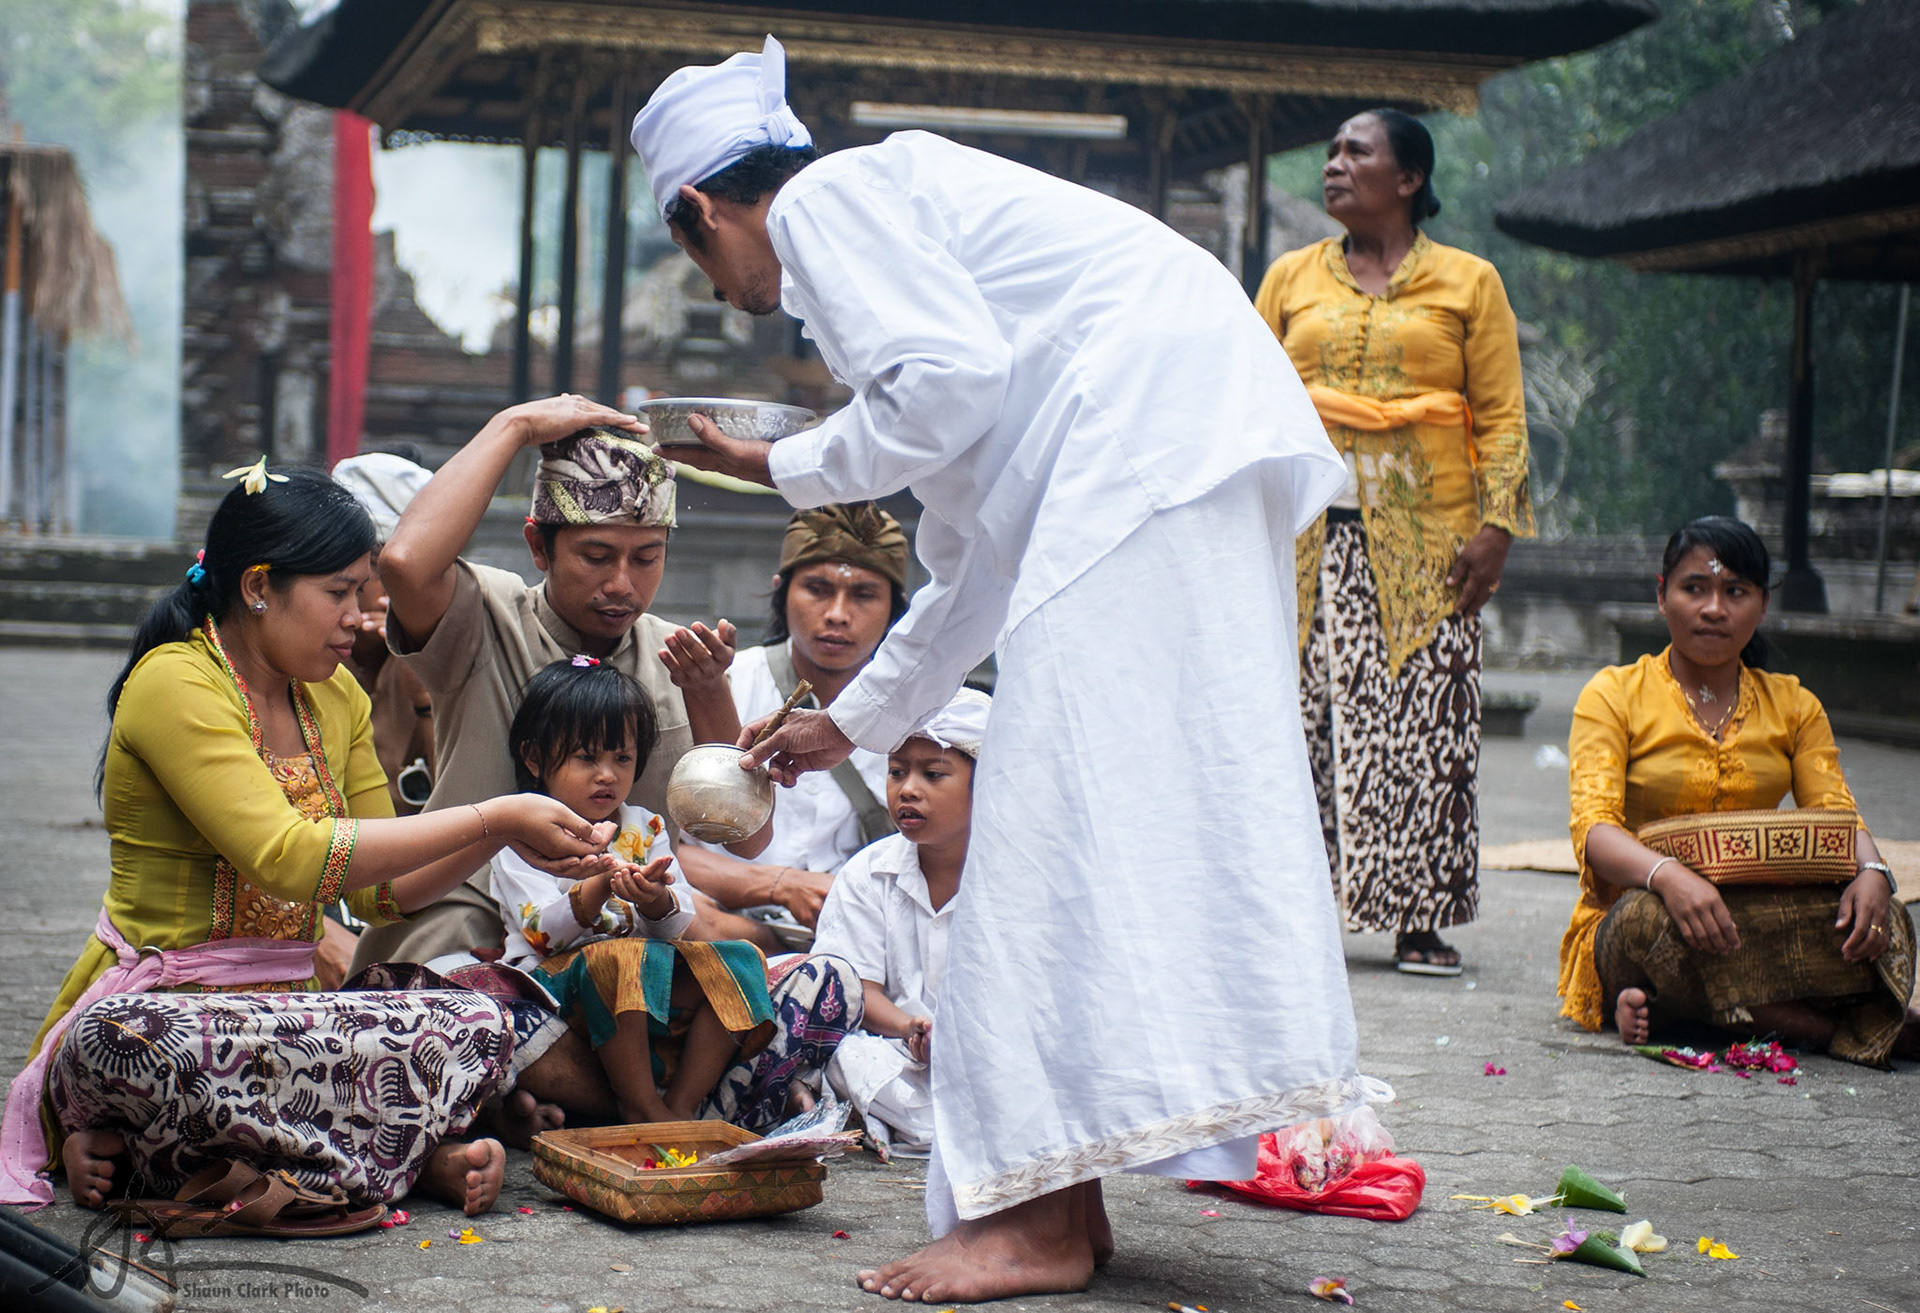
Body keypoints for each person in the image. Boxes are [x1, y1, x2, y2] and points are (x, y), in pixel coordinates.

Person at [631, 37, 1361, 1302]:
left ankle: (1034, 1214)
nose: (731, 292)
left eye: (699, 258)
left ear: (699, 211)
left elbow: (952, 388)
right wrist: (847, 723)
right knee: (1071, 828)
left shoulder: (826, 203)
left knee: (1036, 835)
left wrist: (783, 461)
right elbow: (965, 555)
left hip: (1144, 451)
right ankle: (1055, 1198)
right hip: (1160, 455)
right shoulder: (893, 238)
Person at [0, 464, 620, 1216]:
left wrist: (505, 841)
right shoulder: (174, 682)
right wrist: (496, 815)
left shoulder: (335, 694)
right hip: (172, 1010)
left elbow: (378, 892)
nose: (359, 618)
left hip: (294, 1020)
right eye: (339, 592)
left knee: (475, 1014)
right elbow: (292, 858)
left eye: (362, 591)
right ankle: (400, 1157)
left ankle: (162, 1151)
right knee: (139, 1044)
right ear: (259, 586)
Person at [1254, 109, 1533, 976]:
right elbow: (1244, 393)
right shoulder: (1290, 278)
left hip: (1430, 548)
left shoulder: (1470, 282)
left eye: (1355, 152)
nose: (1334, 165)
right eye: (1332, 152)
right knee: (1298, 727)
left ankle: (1420, 920)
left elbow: (1502, 415)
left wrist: (1497, 529)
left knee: (1426, 727)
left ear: (1408, 178)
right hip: (1301, 541)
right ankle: (1290, 920)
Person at [346, 401, 763, 976]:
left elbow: (746, 839)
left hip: (624, 944)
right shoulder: (487, 615)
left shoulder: (680, 657)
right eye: (596, 556)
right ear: (539, 547)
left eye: (647, 558)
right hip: (468, 924)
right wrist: (512, 426)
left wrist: (708, 690)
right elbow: (406, 562)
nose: (622, 584)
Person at [1561, 517, 1918, 1067]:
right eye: (1694, 588)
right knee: (1648, 924)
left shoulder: (1795, 704)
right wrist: (1670, 877)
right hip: (1643, 911)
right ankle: (1831, 1028)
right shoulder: (1613, 695)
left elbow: (1835, 814)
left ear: (1763, 605)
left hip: (1752, 915)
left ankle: (1683, 1010)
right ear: (1662, 596)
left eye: (1735, 592)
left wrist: (1871, 874)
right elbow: (1594, 831)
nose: (1713, 609)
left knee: (1882, 920)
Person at [491, 657, 775, 1124]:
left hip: (642, 980)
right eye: (587, 758)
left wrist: (657, 900)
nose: (607, 774)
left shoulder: (647, 825)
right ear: (534, 758)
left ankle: (683, 1105)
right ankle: (641, 1105)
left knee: (741, 957)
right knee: (621, 957)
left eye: (621, 758)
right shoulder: (519, 831)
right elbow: (543, 936)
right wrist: (600, 886)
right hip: (550, 988)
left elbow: (678, 922)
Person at [676, 502, 911, 946]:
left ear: (895, 607)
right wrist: (781, 884)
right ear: (781, 592)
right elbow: (653, 846)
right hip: (720, 933)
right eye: (818, 589)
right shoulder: (717, 685)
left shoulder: (921, 715)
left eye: (863, 594)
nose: (838, 614)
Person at [814, 689, 990, 1158]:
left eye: (933, 774)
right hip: (899, 1052)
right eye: (897, 772)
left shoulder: (1014, 878)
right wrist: (912, 1030)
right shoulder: (868, 874)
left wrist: (959, 1043)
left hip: (990, 1055)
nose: (908, 789)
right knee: (843, 1055)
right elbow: (857, 989)